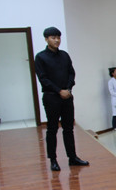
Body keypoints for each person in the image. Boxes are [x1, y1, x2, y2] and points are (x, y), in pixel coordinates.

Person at [34, 27, 88, 171]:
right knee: (52, 129)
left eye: (58, 37)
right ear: (46, 39)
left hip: (67, 97)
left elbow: (71, 73)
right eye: (53, 37)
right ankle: (53, 159)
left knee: (68, 128)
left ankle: (72, 157)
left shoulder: (64, 55)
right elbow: (43, 79)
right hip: (51, 97)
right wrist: (59, 91)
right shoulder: (40, 57)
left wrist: (68, 89)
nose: (57, 40)